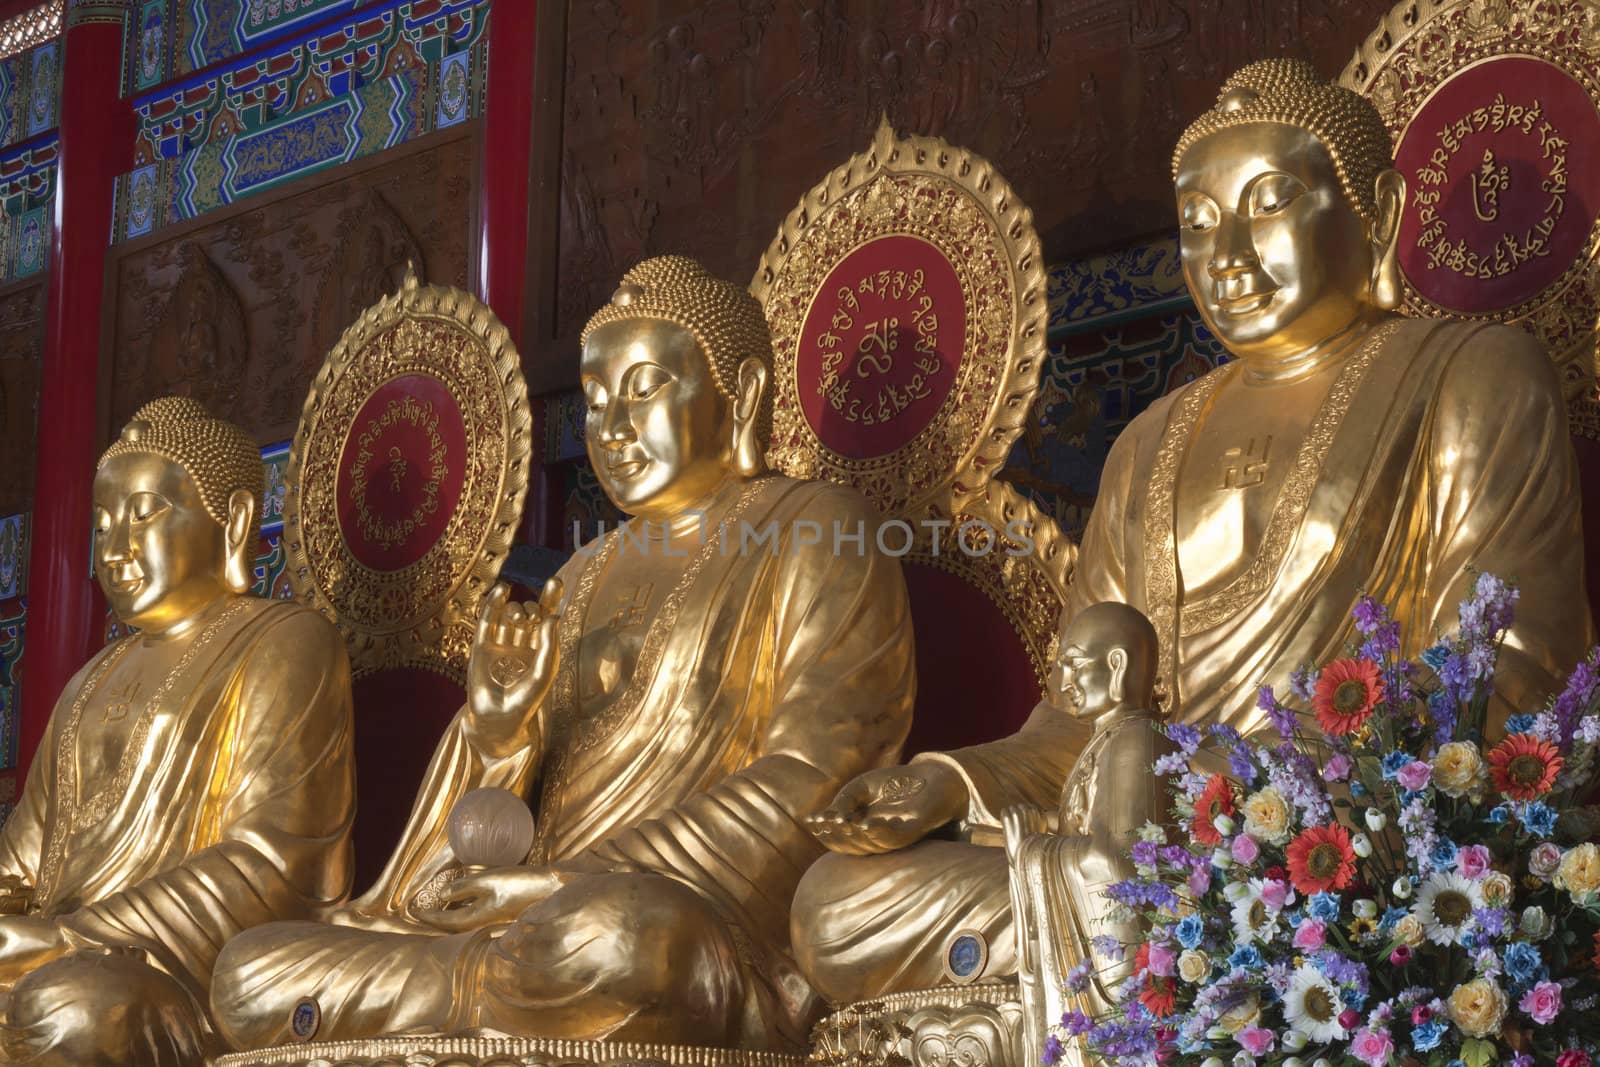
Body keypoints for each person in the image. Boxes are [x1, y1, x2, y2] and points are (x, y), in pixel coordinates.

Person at [210, 256, 917, 1051]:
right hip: (523, 934)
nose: (611, 426)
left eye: (645, 386)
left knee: (630, 940)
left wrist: (561, 882)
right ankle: (480, 991)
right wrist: (498, 738)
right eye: (596, 399)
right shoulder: (581, 573)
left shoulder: (820, 530)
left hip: (673, 928)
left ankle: (466, 996)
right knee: (249, 967)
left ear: (743, 395)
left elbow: (822, 777)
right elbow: (476, 843)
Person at [0, 396, 355, 1064]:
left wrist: (68, 936)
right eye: (102, 524)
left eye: (144, 513)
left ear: (237, 519)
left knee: (77, 1009)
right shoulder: (86, 684)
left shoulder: (285, 642)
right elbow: (23, 858)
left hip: (180, 978)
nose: (116, 547)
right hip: (48, 957)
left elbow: (273, 869)